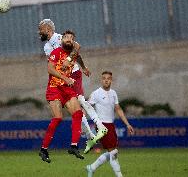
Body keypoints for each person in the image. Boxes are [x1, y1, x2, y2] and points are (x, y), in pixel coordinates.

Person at [38, 19, 108, 153]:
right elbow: (53, 65)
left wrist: (79, 65)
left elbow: (77, 48)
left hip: (74, 73)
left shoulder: (60, 38)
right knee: (77, 107)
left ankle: (98, 126)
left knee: (80, 101)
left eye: (40, 29)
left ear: (47, 29)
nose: (38, 32)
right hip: (63, 81)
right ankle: (90, 135)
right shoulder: (47, 47)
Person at [39, 30, 85, 163]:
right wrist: (65, 78)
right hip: (54, 88)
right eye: (66, 38)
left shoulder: (73, 55)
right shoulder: (56, 52)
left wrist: (84, 67)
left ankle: (74, 146)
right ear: (61, 40)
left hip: (66, 88)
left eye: (71, 38)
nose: (68, 39)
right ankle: (44, 149)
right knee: (58, 118)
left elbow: (78, 50)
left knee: (78, 113)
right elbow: (50, 69)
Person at [86, 71, 134, 177]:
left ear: (111, 80)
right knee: (113, 152)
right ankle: (119, 175)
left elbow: (118, 109)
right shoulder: (96, 93)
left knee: (113, 152)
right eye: (104, 78)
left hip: (111, 125)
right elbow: (86, 107)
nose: (106, 80)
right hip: (101, 126)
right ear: (101, 80)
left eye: (108, 78)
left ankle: (92, 167)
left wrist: (127, 124)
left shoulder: (113, 93)